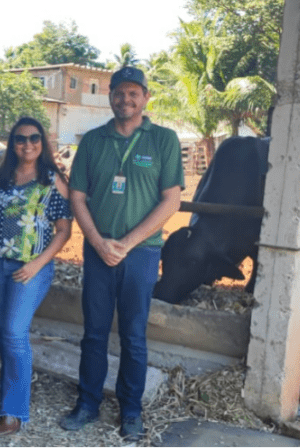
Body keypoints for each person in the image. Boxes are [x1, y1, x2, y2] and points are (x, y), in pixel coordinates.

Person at [60, 66, 184, 441]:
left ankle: (131, 411)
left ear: (145, 97)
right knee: (94, 333)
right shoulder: (93, 141)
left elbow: (171, 200)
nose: (125, 99)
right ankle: (87, 403)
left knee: (133, 336)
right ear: (110, 96)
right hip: (98, 251)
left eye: (133, 93)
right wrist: (98, 242)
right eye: (119, 93)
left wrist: (126, 244)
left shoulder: (163, 139)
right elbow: (77, 196)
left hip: (141, 254)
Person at [0, 117, 72, 437]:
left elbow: (63, 230)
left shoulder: (51, 179)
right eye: (20, 139)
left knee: (15, 333)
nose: (27, 144)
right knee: (6, 332)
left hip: (30, 269)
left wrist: (37, 263)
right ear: (12, 142)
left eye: (33, 138)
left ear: (42, 142)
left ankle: (15, 414)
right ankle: (8, 400)